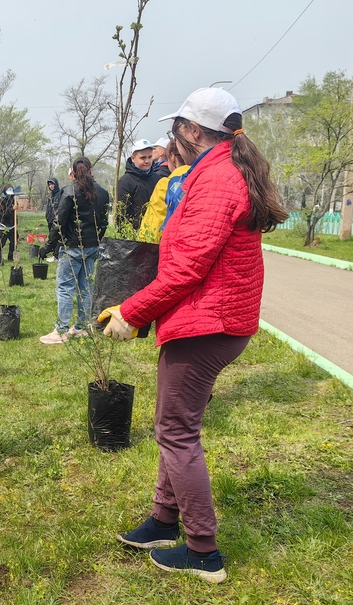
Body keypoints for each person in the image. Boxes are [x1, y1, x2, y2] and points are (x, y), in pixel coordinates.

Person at [99, 88, 288, 583]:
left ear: (191, 131)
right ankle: (164, 521)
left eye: (174, 130)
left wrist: (132, 312)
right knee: (174, 426)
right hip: (209, 319)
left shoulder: (218, 181)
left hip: (208, 323)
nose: (169, 141)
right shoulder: (216, 171)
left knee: (176, 431)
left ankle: (204, 550)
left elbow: (186, 269)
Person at [38, 157, 110, 344]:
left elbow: (58, 222)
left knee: (65, 287)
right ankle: (82, 326)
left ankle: (61, 330)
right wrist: (96, 241)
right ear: (90, 170)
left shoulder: (69, 192)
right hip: (92, 247)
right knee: (85, 287)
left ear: (73, 173)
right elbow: (103, 223)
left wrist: (48, 246)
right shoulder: (102, 193)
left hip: (72, 248)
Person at [138, 141, 190, 243]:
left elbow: (154, 226)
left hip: (168, 247)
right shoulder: (206, 179)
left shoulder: (166, 185)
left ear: (172, 157)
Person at [116, 139, 163, 231]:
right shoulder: (125, 181)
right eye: (143, 158)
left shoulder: (157, 179)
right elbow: (121, 214)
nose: (147, 161)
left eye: (150, 157)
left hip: (154, 232)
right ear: (133, 158)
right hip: (134, 233)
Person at [0, 185, 16, 262]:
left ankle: (11, 257)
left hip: (12, 226)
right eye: (8, 193)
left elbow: (14, 214)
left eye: (11, 193)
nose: (9, 195)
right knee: (0, 243)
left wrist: (16, 222)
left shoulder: (13, 200)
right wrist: (12, 209)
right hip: (3, 225)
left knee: (14, 242)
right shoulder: (1, 201)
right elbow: (3, 213)